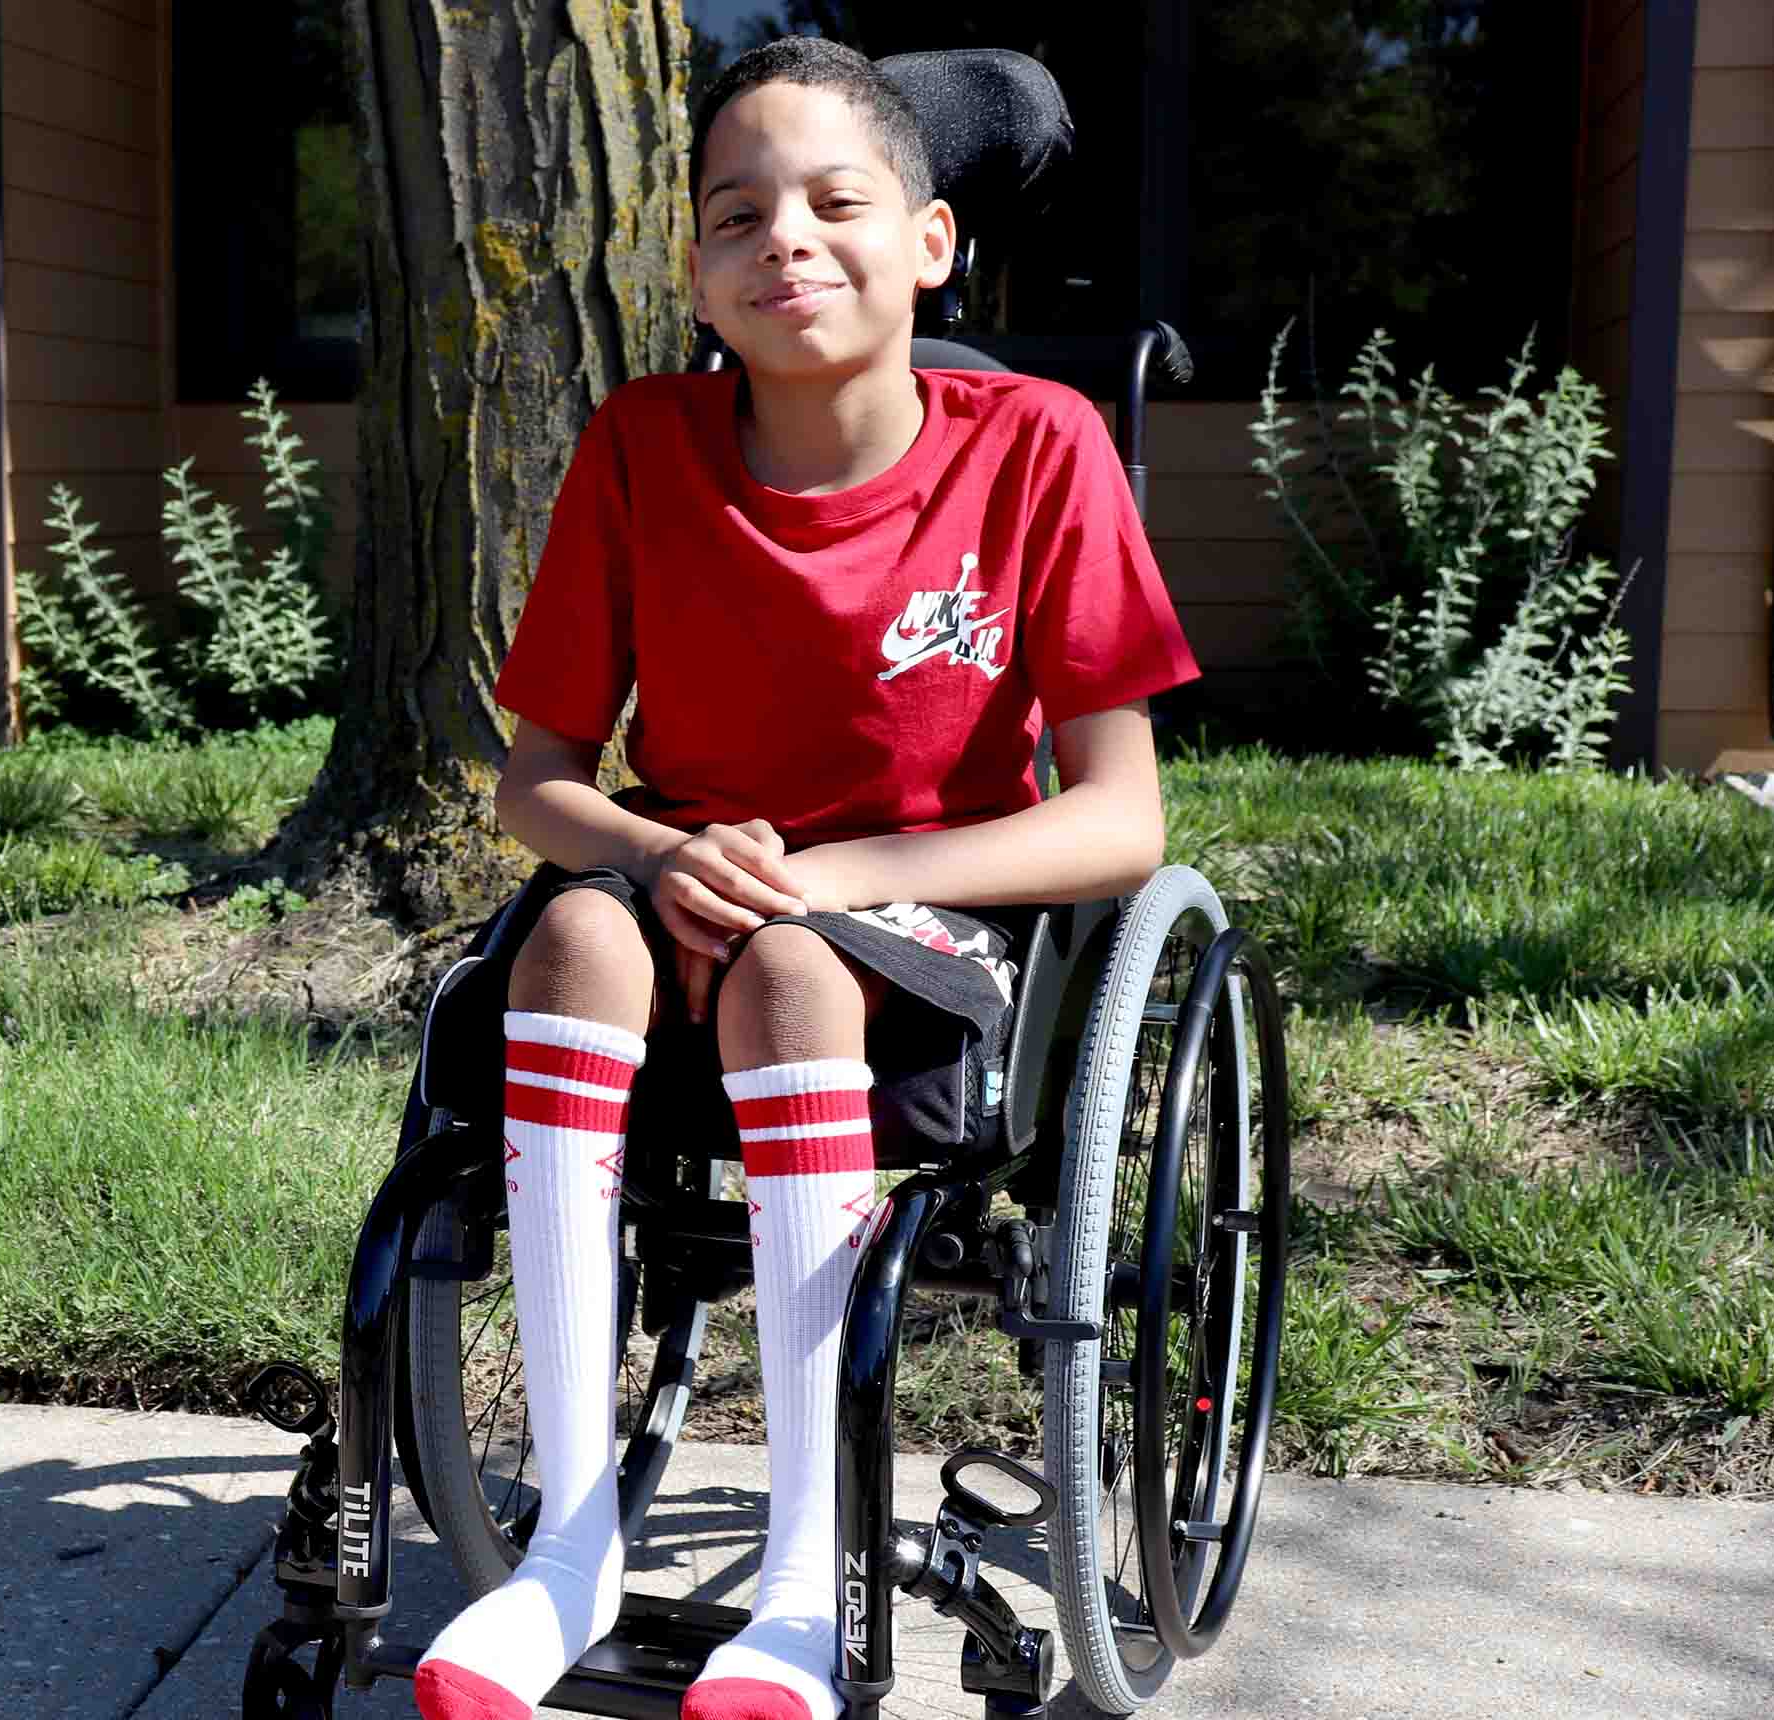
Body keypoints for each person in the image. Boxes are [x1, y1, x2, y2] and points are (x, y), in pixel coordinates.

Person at [411, 36, 1200, 1720]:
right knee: (567, 944)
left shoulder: (1036, 447)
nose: (787, 239)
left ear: (931, 242)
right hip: (679, 876)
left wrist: (833, 874)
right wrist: (661, 851)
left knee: (794, 965)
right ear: (696, 271)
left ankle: (795, 1581)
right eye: (735, 214)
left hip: (930, 917)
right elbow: (535, 785)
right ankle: (566, 1557)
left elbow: (1124, 819)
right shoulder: (642, 446)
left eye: (838, 202)